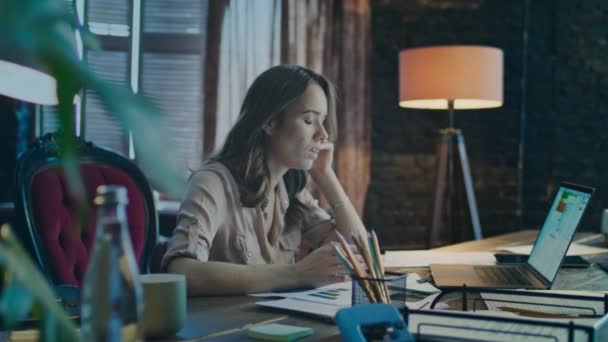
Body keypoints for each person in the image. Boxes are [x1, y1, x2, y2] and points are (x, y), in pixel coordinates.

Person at [162, 64, 367, 296]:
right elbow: (180, 272)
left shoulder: (292, 190)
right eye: (309, 121)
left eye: (324, 121)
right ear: (269, 122)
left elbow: (357, 250)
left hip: (277, 326)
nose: (323, 134)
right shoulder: (212, 183)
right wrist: (296, 274)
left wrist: (325, 175)